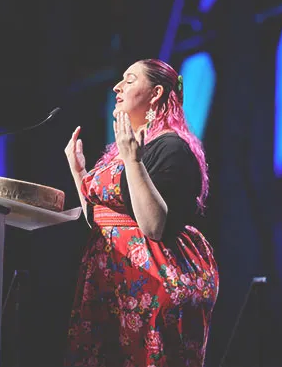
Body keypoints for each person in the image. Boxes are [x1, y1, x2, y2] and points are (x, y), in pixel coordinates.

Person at [63, 58, 219, 367]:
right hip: (107, 280)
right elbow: (99, 222)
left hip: (145, 284)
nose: (117, 87)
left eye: (129, 80)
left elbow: (153, 227)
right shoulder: (123, 150)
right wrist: (78, 171)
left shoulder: (170, 147)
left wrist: (132, 159)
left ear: (156, 92)